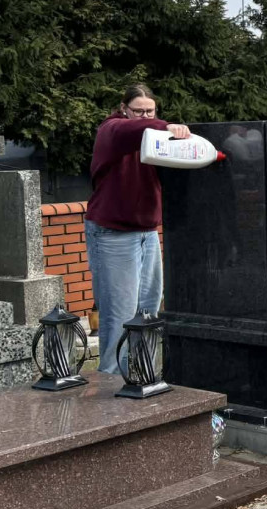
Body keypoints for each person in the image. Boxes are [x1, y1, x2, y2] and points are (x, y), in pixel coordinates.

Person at [86, 84, 190, 374]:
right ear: (123, 108)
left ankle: (142, 377)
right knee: (118, 316)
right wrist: (167, 125)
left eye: (150, 111)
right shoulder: (112, 129)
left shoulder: (156, 137)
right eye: (138, 111)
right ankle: (112, 385)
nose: (144, 116)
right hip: (113, 233)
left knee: (147, 310)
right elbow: (133, 131)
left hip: (146, 233)